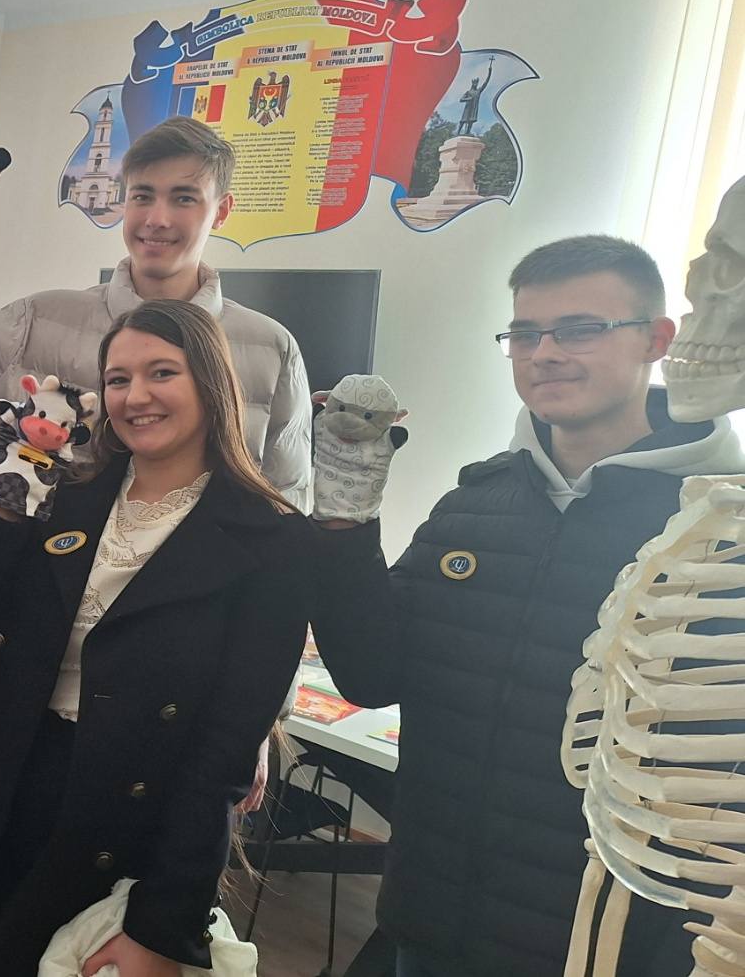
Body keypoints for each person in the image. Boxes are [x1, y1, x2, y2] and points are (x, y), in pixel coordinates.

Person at [310, 235, 745, 976]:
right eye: (525, 333)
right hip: (432, 919)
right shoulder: (472, 507)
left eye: (579, 329)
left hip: (605, 946)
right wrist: (343, 523)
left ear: (656, 339)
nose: (544, 354)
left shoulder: (715, 533)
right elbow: (370, 674)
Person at [0, 299, 312, 977]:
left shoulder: (272, 539)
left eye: (161, 373)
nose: (135, 395)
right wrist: (8, 493)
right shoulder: (64, 494)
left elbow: (224, 753)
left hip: (121, 824)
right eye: (117, 379)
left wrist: (163, 923)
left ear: (211, 383)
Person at [0, 115, 312, 510]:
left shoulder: (270, 349)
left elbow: (286, 504)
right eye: (142, 196)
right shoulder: (32, 321)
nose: (157, 219)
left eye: (184, 198)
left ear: (221, 211)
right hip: (15, 559)